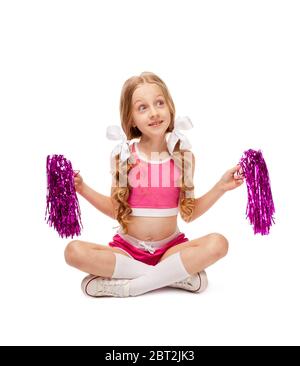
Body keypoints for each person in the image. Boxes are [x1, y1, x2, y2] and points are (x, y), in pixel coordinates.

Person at [64, 71, 245, 297]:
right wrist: (82, 189)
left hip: (171, 249)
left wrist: (221, 187)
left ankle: (130, 287)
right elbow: (116, 210)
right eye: (143, 107)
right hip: (127, 251)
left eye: (159, 103)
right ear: (131, 119)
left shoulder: (184, 158)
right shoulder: (124, 156)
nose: (154, 113)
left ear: (169, 107)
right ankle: (171, 276)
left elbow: (189, 213)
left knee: (219, 244)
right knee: (73, 251)